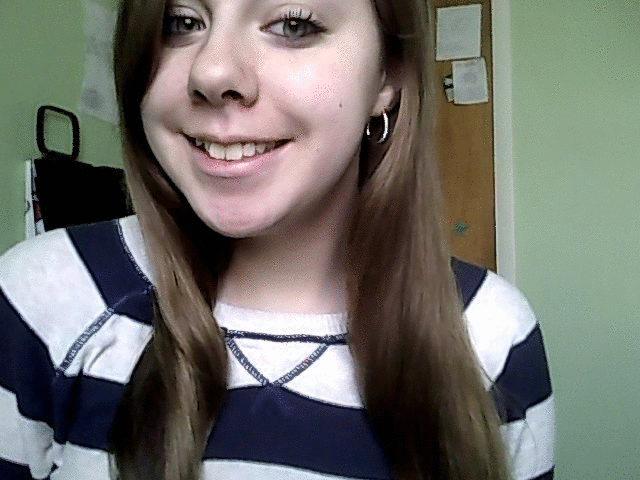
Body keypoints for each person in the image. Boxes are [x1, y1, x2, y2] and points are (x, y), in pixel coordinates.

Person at [0, 0, 555, 479]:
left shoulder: (490, 337)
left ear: (387, 76)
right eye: (181, 21)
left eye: (293, 23)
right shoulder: (43, 298)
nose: (212, 71)